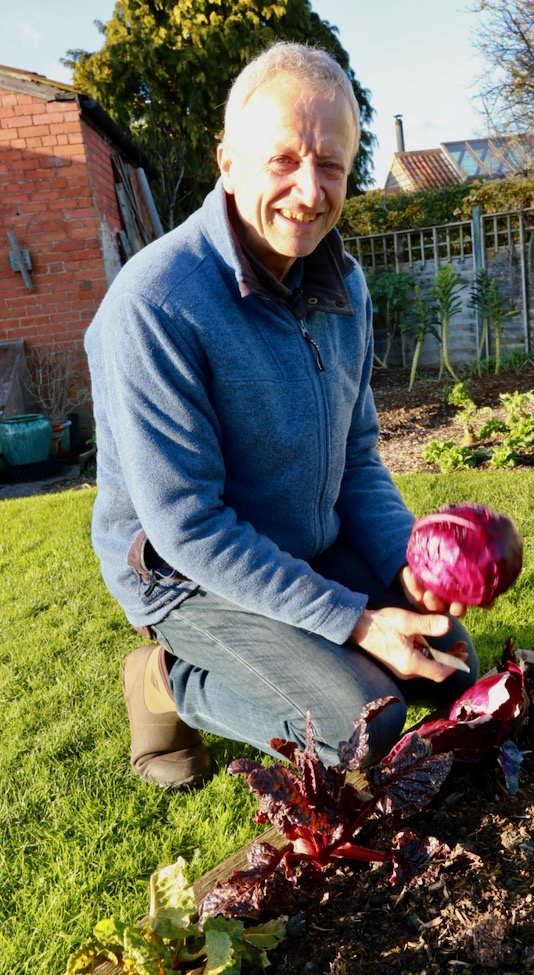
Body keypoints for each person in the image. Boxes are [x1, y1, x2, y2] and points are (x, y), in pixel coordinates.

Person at [85, 40, 480, 791]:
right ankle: (167, 679)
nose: (309, 190)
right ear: (228, 161)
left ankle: (328, 649)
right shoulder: (155, 305)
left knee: (455, 667)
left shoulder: (345, 287)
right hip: (185, 575)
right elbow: (189, 525)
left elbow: (358, 455)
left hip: (306, 544)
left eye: (331, 165)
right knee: (368, 725)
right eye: (284, 161)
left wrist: (406, 567)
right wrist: (357, 623)